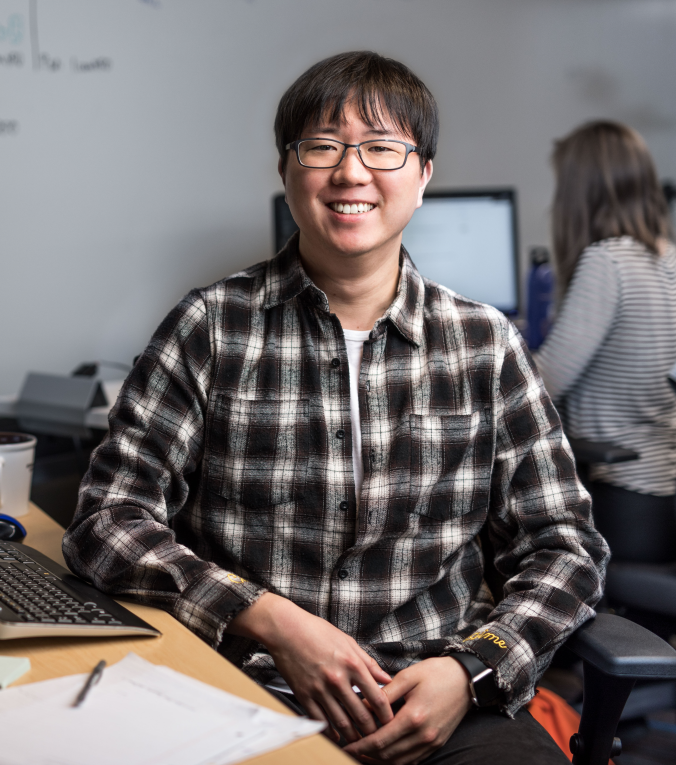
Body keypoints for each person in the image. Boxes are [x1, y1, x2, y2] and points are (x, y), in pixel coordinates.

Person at [62, 52, 607, 764]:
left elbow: (565, 545)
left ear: (424, 175)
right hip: (247, 687)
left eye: (382, 149)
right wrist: (270, 621)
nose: (351, 173)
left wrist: (470, 669)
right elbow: (107, 520)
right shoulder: (211, 326)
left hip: (441, 696)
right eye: (322, 147)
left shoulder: (485, 345)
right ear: (287, 171)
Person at [533, 121, 676, 565]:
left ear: (582, 191)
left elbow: (543, 384)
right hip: (674, 496)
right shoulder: (667, 255)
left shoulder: (607, 260)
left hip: (625, 498)